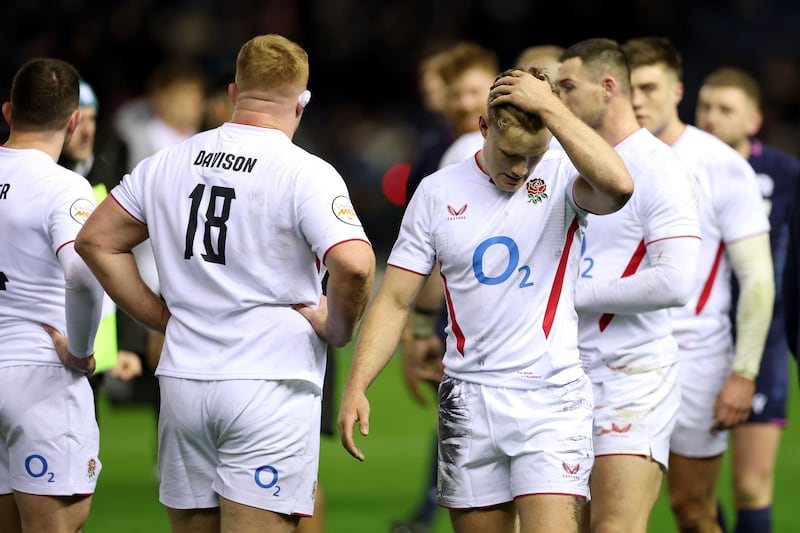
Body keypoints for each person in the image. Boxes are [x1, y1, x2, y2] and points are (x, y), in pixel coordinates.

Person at [75, 33, 376, 533]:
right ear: (302, 103)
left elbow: (98, 241)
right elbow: (357, 264)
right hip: (268, 381)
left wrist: (158, 316)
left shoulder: (168, 161)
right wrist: (338, 327)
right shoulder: (304, 172)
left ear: (234, 93)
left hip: (185, 381)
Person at [339, 67, 635, 533]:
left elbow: (620, 186)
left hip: (550, 398)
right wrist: (357, 384)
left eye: (532, 158)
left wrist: (552, 108)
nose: (520, 170)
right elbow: (394, 299)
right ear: (483, 127)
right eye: (511, 154)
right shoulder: (437, 193)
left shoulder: (560, 177)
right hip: (468, 400)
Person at [622, 36, 775, 533]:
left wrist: (744, 371)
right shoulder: (601, 158)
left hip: (696, 357)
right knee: (609, 516)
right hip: (616, 357)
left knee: (692, 510)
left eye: (649, 87)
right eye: (629, 88)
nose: (638, 99)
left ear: (676, 91)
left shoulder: (721, 164)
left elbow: (756, 275)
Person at [555, 38, 701, 533]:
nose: (559, 98)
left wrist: (569, 298)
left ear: (608, 87)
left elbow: (675, 281)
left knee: (615, 527)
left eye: (568, 87)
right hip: (555, 372)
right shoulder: (557, 163)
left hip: (630, 373)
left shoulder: (658, 166)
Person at [0, 57, 105, 533]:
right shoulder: (63, 188)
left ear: (8, 111)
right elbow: (84, 275)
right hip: (39, 379)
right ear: (73, 119)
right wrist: (81, 351)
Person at [695, 66, 800, 533]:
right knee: (691, 491)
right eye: (704, 107)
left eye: (725, 109)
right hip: (694, 335)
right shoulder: (676, 168)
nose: (711, 118)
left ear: (753, 120)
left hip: (764, 340)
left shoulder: (784, 174)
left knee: (751, 486)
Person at [58, 78, 143, 388]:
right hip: (45, 345)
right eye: (77, 120)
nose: (87, 130)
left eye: (92, 119)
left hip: (94, 351)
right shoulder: (44, 179)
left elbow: (118, 258)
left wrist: (127, 343)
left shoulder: (107, 178)